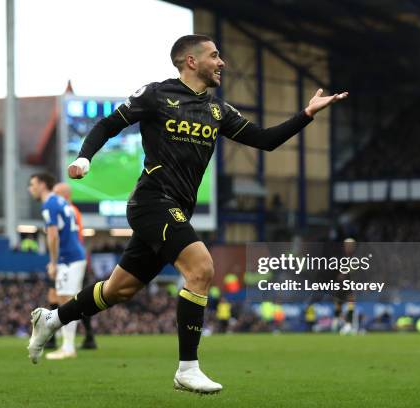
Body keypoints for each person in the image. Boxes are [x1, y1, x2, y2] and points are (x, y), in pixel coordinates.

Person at [28, 34, 347, 393]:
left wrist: (306, 114)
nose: (222, 62)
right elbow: (108, 124)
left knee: (119, 290)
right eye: (215, 55)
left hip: (176, 209)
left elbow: (265, 140)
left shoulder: (217, 110)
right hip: (152, 202)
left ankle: (52, 319)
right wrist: (84, 157)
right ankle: (187, 368)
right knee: (201, 268)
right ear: (191, 61)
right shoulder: (156, 94)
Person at [27, 173, 86, 360]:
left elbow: (52, 235)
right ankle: (67, 345)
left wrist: (53, 262)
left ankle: (68, 347)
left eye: (33, 184)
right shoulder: (60, 202)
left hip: (68, 259)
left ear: (43, 185)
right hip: (74, 255)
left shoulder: (49, 205)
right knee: (67, 301)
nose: (31, 189)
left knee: (66, 302)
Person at [53, 182, 97, 349]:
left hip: (71, 261)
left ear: (66, 195)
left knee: (70, 298)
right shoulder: (72, 211)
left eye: (57, 194)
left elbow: (73, 238)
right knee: (69, 297)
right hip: (73, 259)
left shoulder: (68, 212)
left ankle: (67, 341)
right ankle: (87, 337)